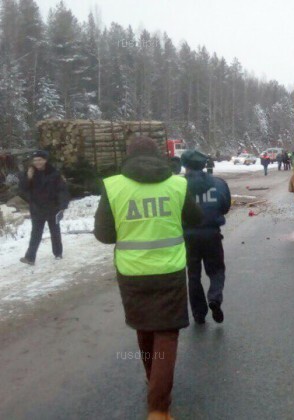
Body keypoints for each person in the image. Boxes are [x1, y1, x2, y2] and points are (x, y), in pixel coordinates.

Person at [94, 137, 202, 420]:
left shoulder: (113, 185)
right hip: (170, 270)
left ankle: (153, 379)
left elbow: (104, 235)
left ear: (127, 156)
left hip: (132, 273)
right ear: (159, 156)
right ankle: (158, 409)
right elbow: (195, 218)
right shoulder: (177, 184)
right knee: (166, 333)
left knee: (144, 327)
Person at [180, 150, 231, 324]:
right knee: (216, 271)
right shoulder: (218, 183)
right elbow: (225, 207)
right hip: (212, 235)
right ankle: (214, 298)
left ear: (185, 166)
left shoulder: (178, 186)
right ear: (204, 164)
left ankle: (198, 313)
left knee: (193, 275)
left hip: (188, 237)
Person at [19, 150, 69, 265]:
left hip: (53, 207)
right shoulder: (29, 172)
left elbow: (62, 190)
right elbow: (23, 189)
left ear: (45, 160)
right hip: (37, 208)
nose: (37, 162)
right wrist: (28, 177)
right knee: (35, 233)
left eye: (40, 160)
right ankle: (30, 258)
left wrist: (62, 206)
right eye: (35, 160)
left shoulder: (54, 173)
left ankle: (58, 253)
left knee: (55, 232)